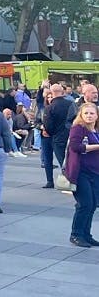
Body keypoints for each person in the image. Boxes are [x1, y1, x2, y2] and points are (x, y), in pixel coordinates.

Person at [66, 103, 99, 247]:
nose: (89, 116)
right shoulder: (78, 128)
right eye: (86, 113)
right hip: (81, 172)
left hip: (95, 172)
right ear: (81, 115)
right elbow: (75, 147)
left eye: (92, 113)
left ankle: (86, 234)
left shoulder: (96, 131)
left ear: (96, 115)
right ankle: (76, 234)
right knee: (84, 204)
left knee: (92, 205)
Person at [42, 83, 77, 189]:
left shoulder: (50, 107)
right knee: (67, 159)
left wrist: (50, 132)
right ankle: (72, 180)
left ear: (52, 93)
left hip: (55, 137)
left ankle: (59, 181)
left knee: (59, 160)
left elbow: (48, 125)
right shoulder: (70, 104)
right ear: (62, 92)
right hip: (69, 134)